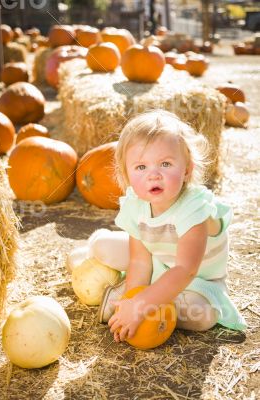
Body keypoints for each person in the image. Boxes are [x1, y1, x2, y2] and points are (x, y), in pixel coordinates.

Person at [81, 110, 247, 343]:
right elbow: (140, 261)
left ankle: (157, 306)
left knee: (203, 316)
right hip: (159, 263)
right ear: (126, 175)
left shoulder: (194, 208)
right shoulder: (135, 204)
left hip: (196, 279)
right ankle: (135, 295)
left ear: (187, 169)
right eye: (141, 167)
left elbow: (185, 270)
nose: (154, 175)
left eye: (165, 164)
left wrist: (140, 306)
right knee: (102, 247)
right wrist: (131, 300)